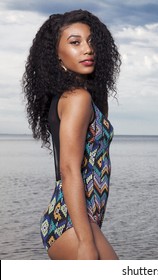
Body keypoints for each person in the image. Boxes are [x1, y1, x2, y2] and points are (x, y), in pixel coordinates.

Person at [22, 10, 121, 259]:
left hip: (77, 220)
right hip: (69, 221)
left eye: (91, 41)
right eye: (75, 42)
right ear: (55, 55)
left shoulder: (83, 97)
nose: (87, 49)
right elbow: (68, 169)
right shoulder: (78, 98)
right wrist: (86, 242)